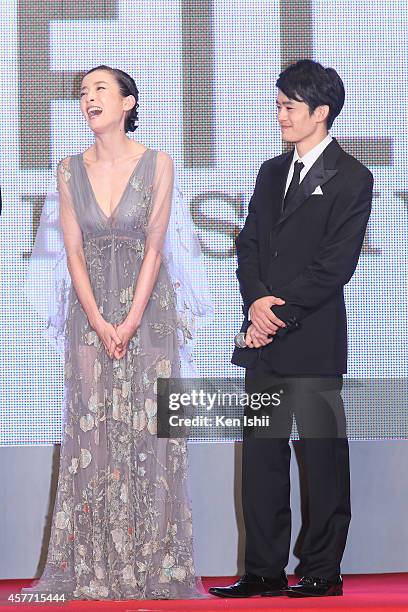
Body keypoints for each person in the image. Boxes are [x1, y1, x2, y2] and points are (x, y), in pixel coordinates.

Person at [23, 65, 210, 600]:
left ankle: (152, 561)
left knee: (149, 428)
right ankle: (93, 561)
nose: (88, 99)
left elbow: (155, 248)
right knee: (92, 425)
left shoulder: (157, 164)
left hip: (147, 315)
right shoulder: (66, 170)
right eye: (83, 92)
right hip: (90, 315)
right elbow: (73, 253)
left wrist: (128, 320)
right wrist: (101, 320)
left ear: (128, 102)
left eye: (99, 89)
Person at [209, 60, 373, 598]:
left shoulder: (352, 177)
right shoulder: (270, 171)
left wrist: (275, 316)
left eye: (289, 107)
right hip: (263, 345)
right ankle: (262, 570)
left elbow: (335, 264)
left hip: (313, 341)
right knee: (261, 458)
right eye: (278, 105)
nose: (279, 115)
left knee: (323, 458)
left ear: (320, 112)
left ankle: (322, 570)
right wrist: (255, 302)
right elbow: (249, 246)